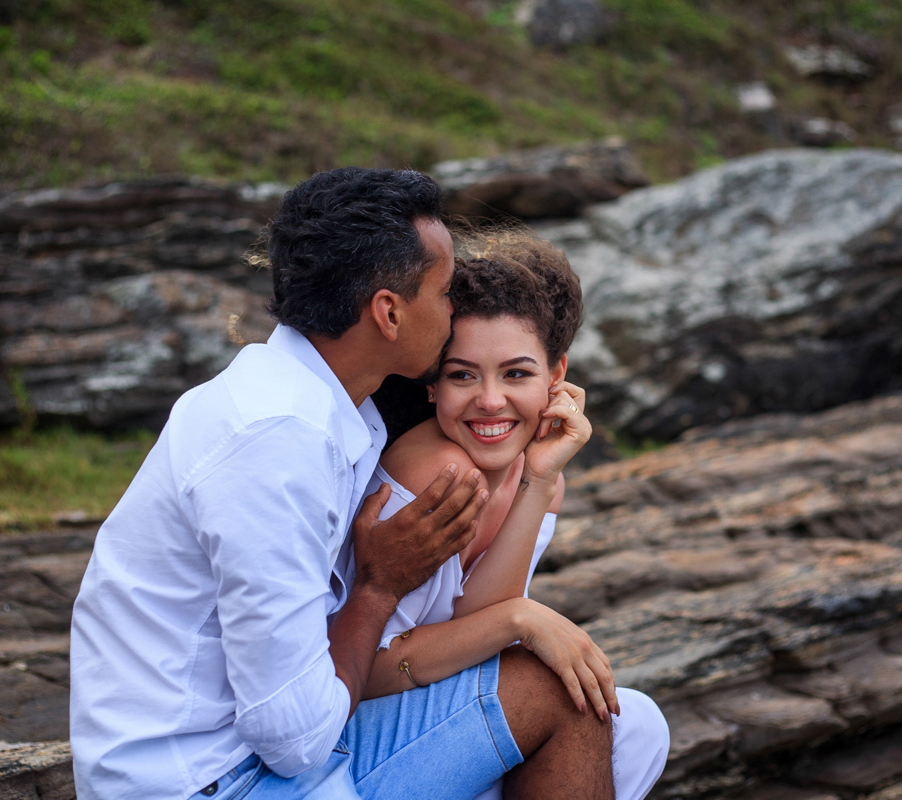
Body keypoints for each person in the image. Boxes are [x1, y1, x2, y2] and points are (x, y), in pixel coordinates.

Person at [69, 168, 617, 800]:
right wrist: (378, 589)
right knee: (549, 694)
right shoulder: (275, 441)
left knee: (610, 716)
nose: (451, 310)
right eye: (443, 293)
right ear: (388, 311)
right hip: (208, 781)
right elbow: (294, 737)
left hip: (254, 757)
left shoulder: (325, 413)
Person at [341, 231, 669, 800]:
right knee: (561, 693)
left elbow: (475, 622)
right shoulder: (434, 475)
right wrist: (521, 620)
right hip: (342, 733)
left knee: (636, 726)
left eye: (516, 374)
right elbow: (360, 672)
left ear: (555, 376)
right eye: (463, 375)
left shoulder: (538, 476)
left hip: (419, 705)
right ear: (432, 387)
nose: (490, 401)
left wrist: (538, 483)